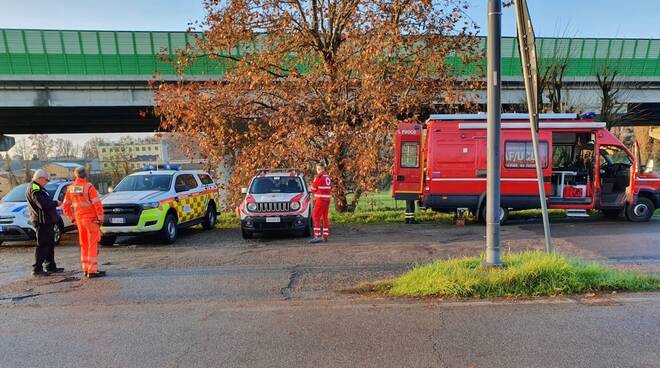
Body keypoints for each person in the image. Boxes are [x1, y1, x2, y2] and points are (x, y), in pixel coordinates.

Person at [63, 167, 106, 278]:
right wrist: (101, 218)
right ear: (85, 175)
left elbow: (65, 206)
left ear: (75, 176)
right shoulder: (88, 187)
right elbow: (97, 204)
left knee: (84, 244)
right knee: (92, 244)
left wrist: (72, 218)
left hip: (79, 221)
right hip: (91, 220)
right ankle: (92, 270)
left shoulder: (71, 188)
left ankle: (86, 269)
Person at [26, 169, 64, 276]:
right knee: (43, 245)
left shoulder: (38, 188)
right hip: (42, 221)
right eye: (46, 179)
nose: (47, 182)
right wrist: (55, 203)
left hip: (47, 221)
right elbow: (43, 204)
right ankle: (37, 268)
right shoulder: (35, 188)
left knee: (49, 244)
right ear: (40, 178)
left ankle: (50, 266)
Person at [309, 163, 332, 244]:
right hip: (327, 199)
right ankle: (325, 235)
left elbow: (312, 188)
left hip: (320, 199)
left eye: (317, 169)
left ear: (319, 169)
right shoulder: (327, 176)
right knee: (325, 217)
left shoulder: (319, 177)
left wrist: (314, 190)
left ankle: (317, 235)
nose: (317, 170)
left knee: (315, 216)